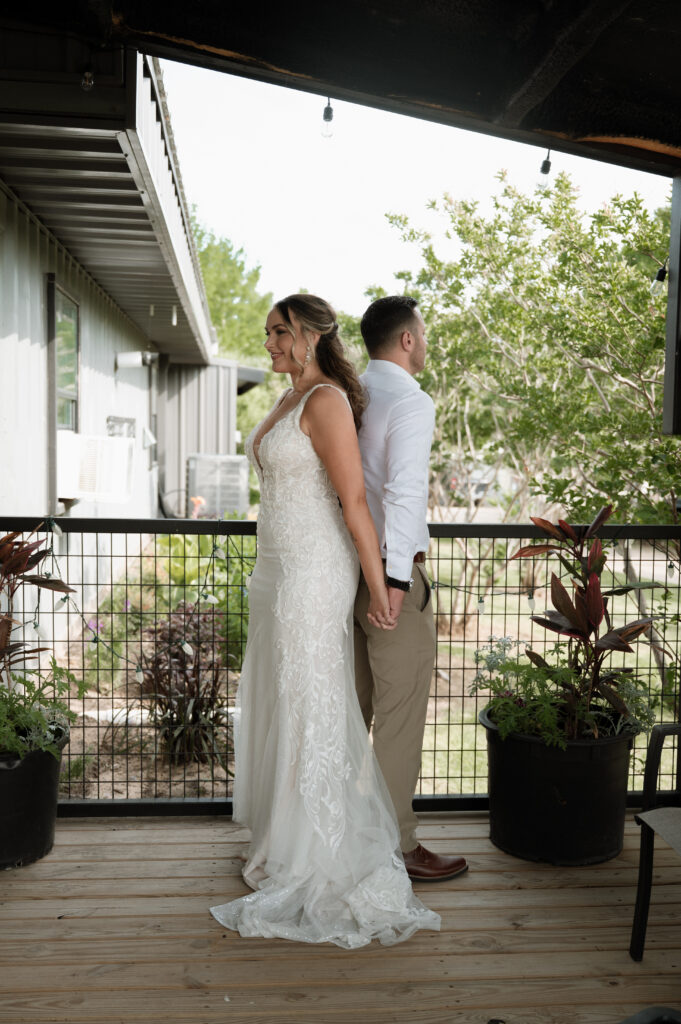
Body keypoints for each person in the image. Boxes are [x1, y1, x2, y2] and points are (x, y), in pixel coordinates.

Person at [210, 294, 440, 947]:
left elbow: (356, 502)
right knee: (286, 702)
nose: (270, 344)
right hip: (275, 572)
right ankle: (282, 841)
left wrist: (381, 585)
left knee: (314, 703)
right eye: (268, 333)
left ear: (311, 334)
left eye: (279, 332)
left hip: (315, 574)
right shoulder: (284, 400)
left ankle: (321, 853)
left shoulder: (330, 401)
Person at [354, 295, 468, 882]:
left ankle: (344, 834)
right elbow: (402, 494)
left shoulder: (349, 394)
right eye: (423, 334)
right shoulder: (409, 399)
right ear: (405, 339)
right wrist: (397, 581)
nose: (425, 343)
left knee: (351, 711)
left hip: (341, 572)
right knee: (398, 716)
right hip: (388, 575)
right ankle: (396, 847)